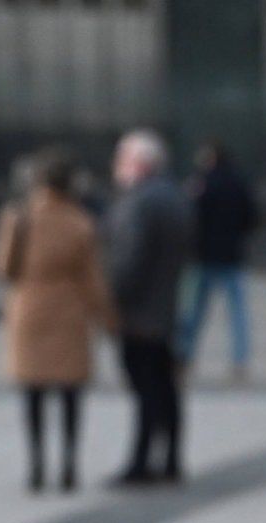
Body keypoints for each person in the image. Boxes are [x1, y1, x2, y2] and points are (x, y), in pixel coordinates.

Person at [0, 147, 115, 492]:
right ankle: (69, 466)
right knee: (71, 394)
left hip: (28, 310)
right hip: (69, 313)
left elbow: (0, 267)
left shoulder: (18, 216)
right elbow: (93, 279)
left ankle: (36, 467)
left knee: (33, 393)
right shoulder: (80, 222)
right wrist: (107, 318)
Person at [104, 129, 190, 485]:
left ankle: (142, 462)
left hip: (139, 313)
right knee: (165, 386)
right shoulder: (173, 196)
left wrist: (111, 299)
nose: (116, 165)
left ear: (138, 163)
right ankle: (169, 458)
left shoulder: (139, 201)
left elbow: (129, 259)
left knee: (146, 388)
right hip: (164, 306)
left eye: (122, 158)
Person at [178, 143, 258, 381]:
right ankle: (240, 361)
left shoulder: (201, 184)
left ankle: (184, 358)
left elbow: (189, 216)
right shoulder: (239, 182)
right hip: (232, 255)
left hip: (204, 255)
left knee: (193, 313)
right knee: (237, 313)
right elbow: (251, 216)